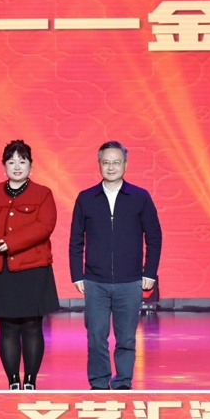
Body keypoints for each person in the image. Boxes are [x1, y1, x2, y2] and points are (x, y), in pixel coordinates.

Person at [68, 140, 162, 390]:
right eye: (106, 162)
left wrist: (150, 272)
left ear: (125, 165)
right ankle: (99, 382)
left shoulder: (140, 197)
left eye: (117, 162)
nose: (111, 167)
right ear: (99, 164)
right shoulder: (86, 198)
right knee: (96, 336)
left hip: (130, 281)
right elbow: (76, 239)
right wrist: (77, 274)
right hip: (95, 281)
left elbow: (154, 237)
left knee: (126, 338)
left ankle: (122, 382)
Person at [0, 140, 59, 390]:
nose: (16, 166)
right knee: (7, 327)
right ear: (4, 165)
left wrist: (9, 243)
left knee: (33, 326)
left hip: (33, 269)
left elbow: (44, 226)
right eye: (11, 161)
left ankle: (31, 381)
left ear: (31, 165)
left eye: (22, 161)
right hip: (1, 269)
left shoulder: (42, 194)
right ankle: (13, 381)